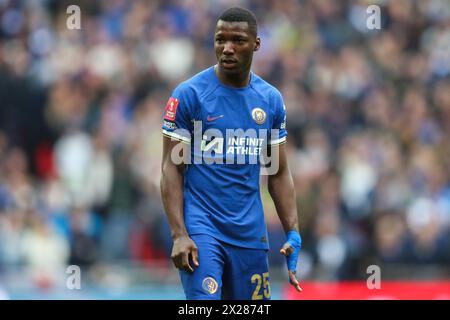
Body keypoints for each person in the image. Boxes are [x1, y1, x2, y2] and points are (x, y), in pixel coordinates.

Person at [160, 7, 302, 300]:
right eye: (219, 40)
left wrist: (293, 231)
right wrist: (179, 234)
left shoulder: (270, 101)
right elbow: (171, 167)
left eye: (237, 40)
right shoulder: (189, 95)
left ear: (256, 44)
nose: (226, 48)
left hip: (250, 234)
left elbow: (277, 172)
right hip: (202, 230)